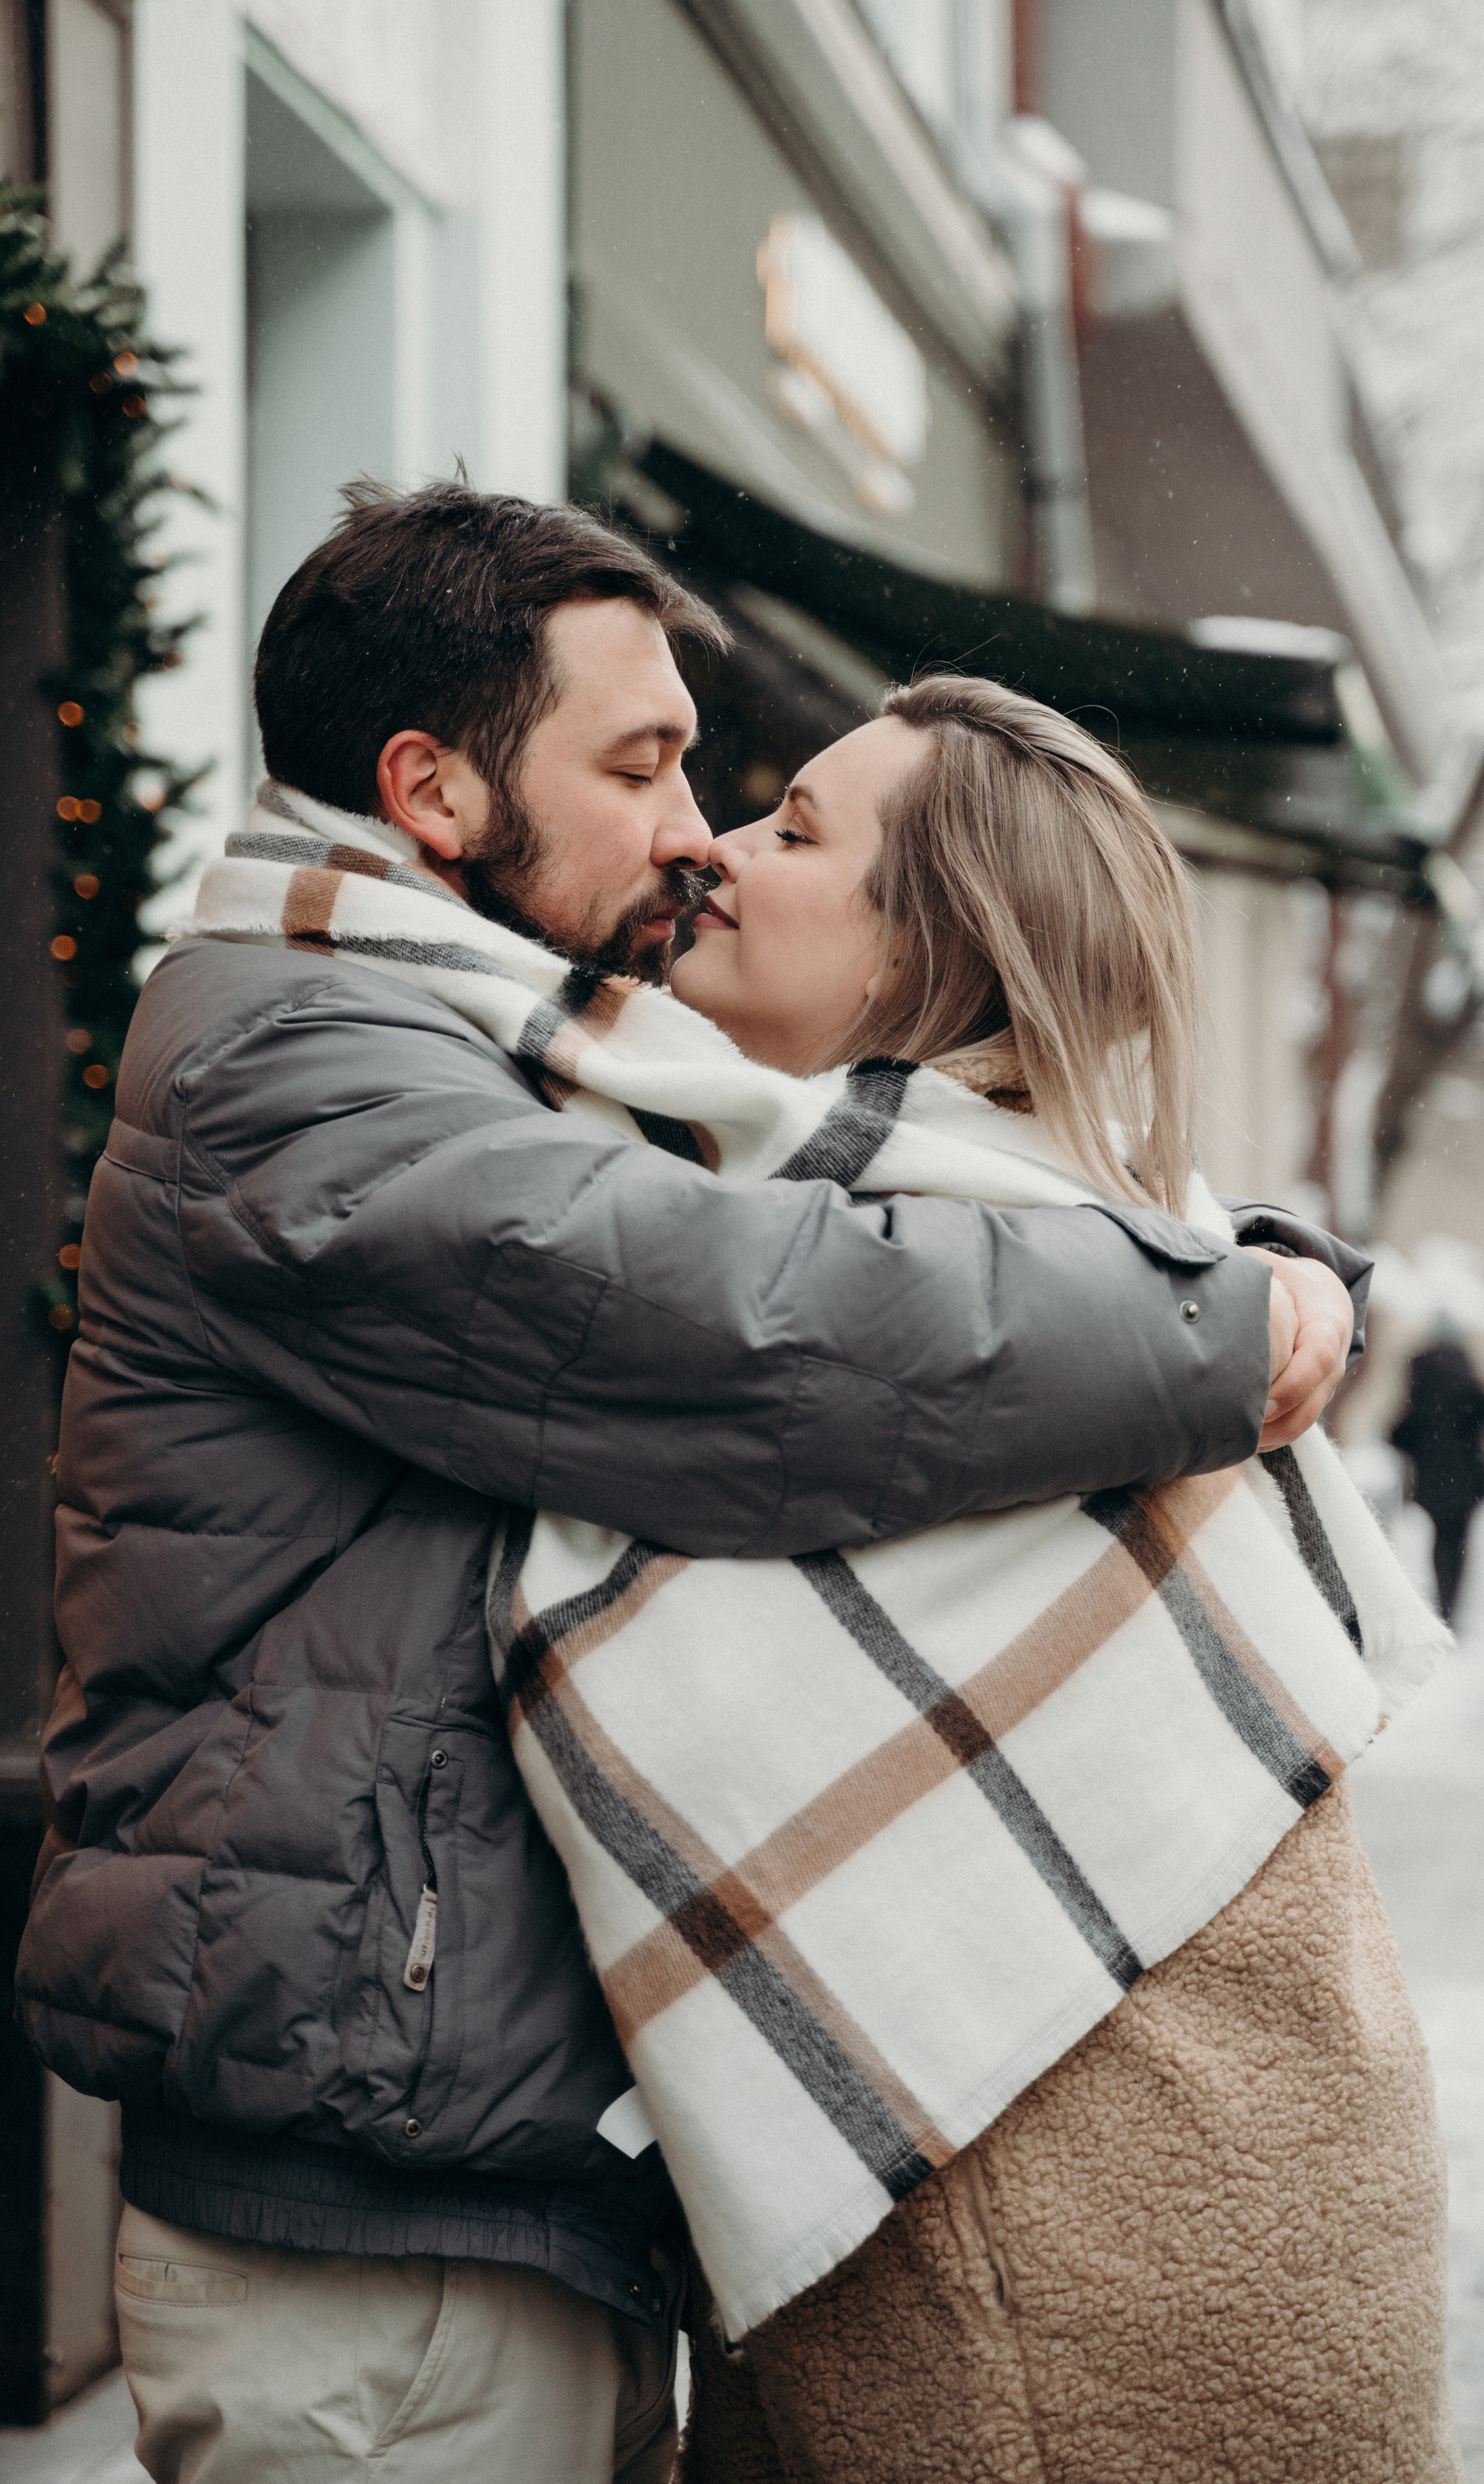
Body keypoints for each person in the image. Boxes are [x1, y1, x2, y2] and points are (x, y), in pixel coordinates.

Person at [16, 485, 1362, 2484]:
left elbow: (892, 1173)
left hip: (478, 2180)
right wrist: (1212, 1322)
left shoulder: (495, 1045)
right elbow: (753, 1319)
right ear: (434, 789)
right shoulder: (306, 1061)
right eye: (639, 763)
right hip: (381, 2248)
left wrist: (1246, 1243)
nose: (687, 829)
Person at [629, 678, 1449, 2480]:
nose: (715, 848)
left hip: (1109, 2227)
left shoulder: (972, 1264)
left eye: (795, 831)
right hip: (1046, 2166)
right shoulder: (1067, 1245)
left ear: (936, 944)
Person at [1390, 1327, 1484, 1622]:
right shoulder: (1467, 1380)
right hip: (1467, 1479)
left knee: (1440, 1543)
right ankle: (1454, 1604)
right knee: (1459, 1542)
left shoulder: (1422, 1379)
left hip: (1433, 1479)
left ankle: (1445, 1603)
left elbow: (1401, 1433)